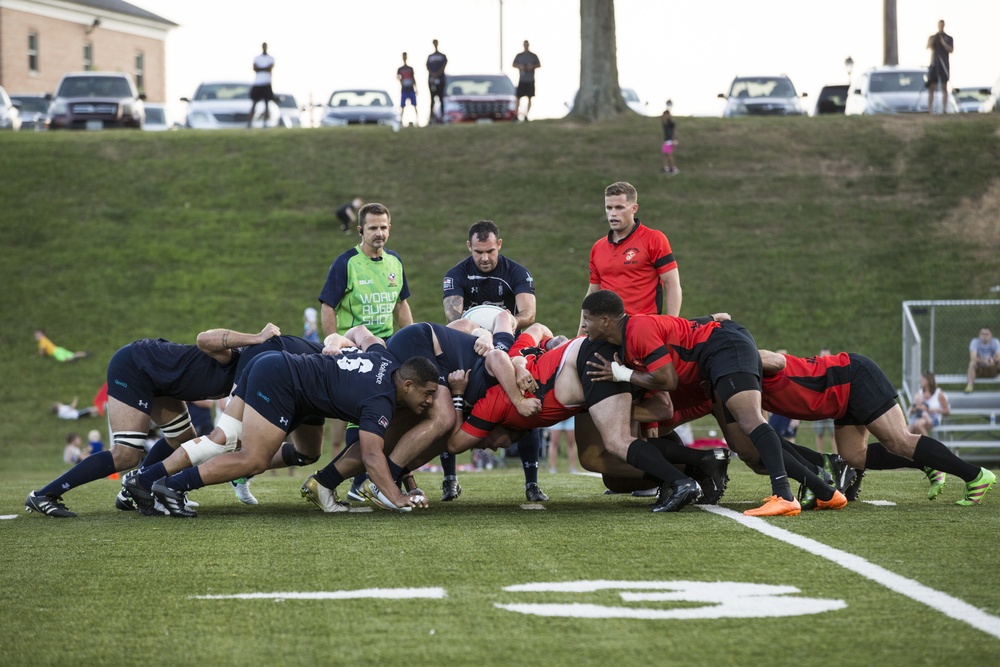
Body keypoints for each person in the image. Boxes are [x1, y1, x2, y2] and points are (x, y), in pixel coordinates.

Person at [580, 289, 845, 517]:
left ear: (605, 320)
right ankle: (825, 491)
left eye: (587, 320)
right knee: (747, 448)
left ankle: (784, 496)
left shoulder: (637, 330)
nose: (583, 326)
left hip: (725, 348)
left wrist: (621, 373)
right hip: (717, 356)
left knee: (751, 420)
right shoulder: (633, 333)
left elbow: (668, 380)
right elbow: (681, 328)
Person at [146, 342, 440, 517]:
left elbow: (367, 337)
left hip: (284, 372)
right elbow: (372, 456)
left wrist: (341, 338)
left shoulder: (386, 359)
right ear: (407, 385)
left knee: (307, 451)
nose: (430, 401)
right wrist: (398, 496)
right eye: (427, 394)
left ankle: (152, 480)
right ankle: (171, 486)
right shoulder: (380, 401)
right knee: (252, 458)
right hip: (283, 381)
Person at [25, 323, 279, 518]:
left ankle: (130, 491)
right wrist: (257, 337)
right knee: (126, 455)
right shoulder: (234, 358)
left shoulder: (252, 377)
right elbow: (204, 338)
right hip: (136, 366)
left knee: (183, 439)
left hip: (162, 380)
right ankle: (45, 494)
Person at [446, 323, 706, 513]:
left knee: (618, 441)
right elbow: (537, 331)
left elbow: (454, 445)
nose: (489, 445)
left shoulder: (492, 403)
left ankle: (682, 480)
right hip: (585, 366)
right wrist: (536, 353)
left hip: (585, 363)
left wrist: (461, 395)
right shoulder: (520, 360)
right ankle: (702, 462)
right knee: (605, 452)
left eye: (484, 441)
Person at [759, 349, 995, 506]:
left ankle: (975, 476)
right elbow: (762, 426)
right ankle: (927, 462)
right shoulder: (747, 387)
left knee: (900, 440)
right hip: (840, 400)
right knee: (853, 457)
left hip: (854, 377)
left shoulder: (749, 362)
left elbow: (778, 358)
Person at [442, 219, 546, 502]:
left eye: (489, 251)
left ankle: (532, 483)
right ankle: (449, 479)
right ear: (469, 247)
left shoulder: (516, 272)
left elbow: (529, 313)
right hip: (469, 348)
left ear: (499, 244)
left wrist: (509, 323)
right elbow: (453, 317)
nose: (484, 258)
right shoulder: (456, 274)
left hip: (508, 347)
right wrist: (481, 332)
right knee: (445, 404)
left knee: (526, 413)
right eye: (478, 252)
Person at [319, 202, 413, 484]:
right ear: (360, 230)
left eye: (384, 227)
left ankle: (373, 479)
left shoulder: (395, 262)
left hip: (386, 349)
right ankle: (356, 482)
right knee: (360, 416)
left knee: (391, 412)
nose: (379, 233)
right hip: (355, 351)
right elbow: (327, 306)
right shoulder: (346, 262)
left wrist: (410, 341)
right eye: (373, 228)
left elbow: (401, 305)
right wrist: (333, 345)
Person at [578, 181, 682, 336]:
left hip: (643, 330)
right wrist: (581, 334)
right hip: (606, 332)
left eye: (619, 207)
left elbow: (672, 284)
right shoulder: (598, 247)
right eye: (609, 208)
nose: (613, 213)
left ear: (634, 208)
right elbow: (593, 292)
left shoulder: (654, 239)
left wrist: (671, 327)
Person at [908, 371, 950, 437]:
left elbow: (947, 411)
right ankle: (917, 446)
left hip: (933, 417)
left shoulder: (938, 394)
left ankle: (929, 446)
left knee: (918, 425)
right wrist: (916, 408)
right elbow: (912, 409)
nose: (920, 381)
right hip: (920, 416)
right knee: (909, 431)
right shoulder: (920, 393)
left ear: (928, 381)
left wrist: (934, 410)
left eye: (922, 379)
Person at [926, 20, 954, 114]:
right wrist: (935, 39)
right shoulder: (933, 37)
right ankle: (930, 109)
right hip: (934, 63)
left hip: (944, 63)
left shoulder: (948, 38)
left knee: (944, 86)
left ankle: (944, 109)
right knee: (932, 86)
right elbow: (928, 46)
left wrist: (943, 42)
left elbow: (951, 49)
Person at [811, 347, 835, 453]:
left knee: (834, 434)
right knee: (819, 434)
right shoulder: (814, 370)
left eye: (827, 356)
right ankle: (820, 457)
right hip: (819, 406)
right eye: (822, 356)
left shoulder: (835, 370)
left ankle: (838, 457)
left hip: (832, 407)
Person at [965, 325, 1000, 393]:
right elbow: (973, 358)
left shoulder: (995, 342)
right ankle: (969, 387)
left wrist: (992, 361)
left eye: (987, 334)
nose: (985, 336)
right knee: (972, 363)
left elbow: (999, 356)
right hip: (980, 370)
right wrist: (985, 361)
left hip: (992, 369)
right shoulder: (975, 342)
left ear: (991, 335)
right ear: (979, 335)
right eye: (982, 334)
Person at [248, 42, 275, 128]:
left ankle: (265, 123)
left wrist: (261, 68)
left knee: (267, 104)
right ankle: (249, 123)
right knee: (254, 103)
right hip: (258, 83)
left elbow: (269, 68)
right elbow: (255, 68)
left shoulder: (271, 58)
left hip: (267, 83)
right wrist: (264, 68)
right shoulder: (257, 58)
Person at [512, 40, 540, 122]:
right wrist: (520, 67)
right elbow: (513, 64)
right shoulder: (519, 55)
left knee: (530, 98)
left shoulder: (533, 56)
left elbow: (538, 65)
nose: (526, 46)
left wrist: (532, 66)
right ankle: (516, 115)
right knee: (518, 98)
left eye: (527, 45)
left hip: (530, 80)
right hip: (522, 80)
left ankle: (526, 116)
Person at [426, 39, 447, 124]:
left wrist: (437, 74)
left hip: (441, 80)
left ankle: (443, 118)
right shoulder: (430, 56)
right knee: (432, 100)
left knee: (441, 99)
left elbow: (444, 65)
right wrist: (433, 75)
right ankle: (431, 119)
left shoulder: (442, 56)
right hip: (432, 81)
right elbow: (427, 66)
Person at [397, 52, 418, 127]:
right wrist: (401, 81)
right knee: (402, 106)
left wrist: (416, 88)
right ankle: (401, 122)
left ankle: (417, 122)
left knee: (415, 105)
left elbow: (413, 78)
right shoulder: (400, 69)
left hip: (411, 88)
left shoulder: (410, 68)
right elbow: (398, 76)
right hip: (404, 89)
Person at [661, 108, 678, 174]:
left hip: (670, 141)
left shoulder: (671, 123)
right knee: (665, 154)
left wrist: (674, 139)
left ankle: (673, 168)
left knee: (669, 155)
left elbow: (674, 131)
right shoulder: (664, 122)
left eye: (666, 115)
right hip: (666, 140)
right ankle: (666, 168)